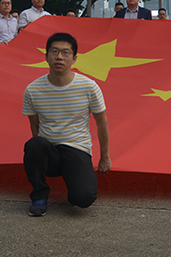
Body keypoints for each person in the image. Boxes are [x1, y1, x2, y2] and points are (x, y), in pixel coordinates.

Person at [22, 32, 111, 217]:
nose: (59, 57)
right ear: (46, 56)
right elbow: (34, 127)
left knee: (84, 199)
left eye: (65, 52)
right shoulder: (33, 90)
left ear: (74, 59)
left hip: (77, 148)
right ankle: (39, 196)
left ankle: (74, 189)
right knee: (34, 144)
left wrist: (105, 157)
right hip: (49, 150)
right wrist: (38, 157)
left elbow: (102, 123)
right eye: (54, 51)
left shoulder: (89, 87)